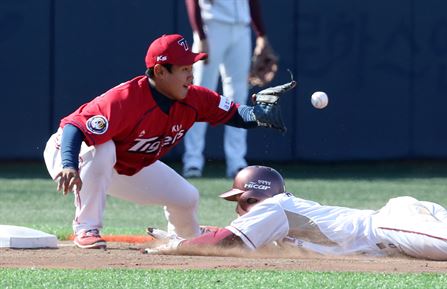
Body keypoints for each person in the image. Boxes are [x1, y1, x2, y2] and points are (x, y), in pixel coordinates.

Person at [43, 34, 292, 249]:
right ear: (160, 72)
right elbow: (74, 127)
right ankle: (87, 228)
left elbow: (235, 113)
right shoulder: (125, 100)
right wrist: (68, 164)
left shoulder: (194, 98)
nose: (191, 76)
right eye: (184, 69)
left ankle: (187, 237)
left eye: (191, 68)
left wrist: (257, 115)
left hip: (122, 163)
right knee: (103, 147)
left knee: (186, 197)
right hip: (71, 151)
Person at [144, 162, 447, 261]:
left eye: (242, 199)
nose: (242, 207)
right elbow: (225, 233)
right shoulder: (278, 211)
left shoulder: (274, 206)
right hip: (399, 221)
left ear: (258, 195)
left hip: (389, 226)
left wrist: (176, 245)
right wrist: (194, 235)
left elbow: (228, 241)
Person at [183, 0, 279, 178]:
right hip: (211, 28)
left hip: (241, 28)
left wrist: (261, 34)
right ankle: (192, 161)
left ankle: (237, 163)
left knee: (238, 96)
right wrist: (201, 36)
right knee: (198, 95)